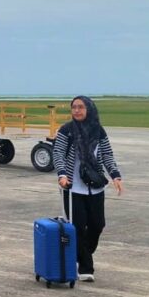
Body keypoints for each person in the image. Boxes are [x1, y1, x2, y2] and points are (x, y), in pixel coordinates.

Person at [52, 96, 123, 282]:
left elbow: (107, 154)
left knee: (98, 225)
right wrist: (61, 174)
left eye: (80, 107)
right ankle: (85, 267)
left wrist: (115, 175)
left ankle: (81, 254)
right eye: (74, 107)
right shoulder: (66, 130)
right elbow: (58, 152)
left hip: (95, 187)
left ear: (89, 109)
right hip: (72, 187)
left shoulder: (98, 131)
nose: (76, 111)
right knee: (77, 228)